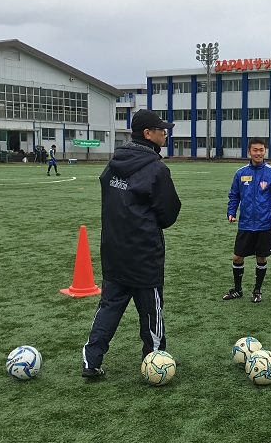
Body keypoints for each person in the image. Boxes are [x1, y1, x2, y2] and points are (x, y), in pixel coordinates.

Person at [82, 109, 181, 378]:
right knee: (151, 310)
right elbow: (169, 213)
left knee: (109, 306)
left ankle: (91, 362)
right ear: (148, 134)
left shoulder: (113, 163)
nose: (165, 133)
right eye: (161, 129)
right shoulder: (156, 168)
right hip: (144, 253)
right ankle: (156, 360)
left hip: (113, 249)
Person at [223, 137, 271, 303]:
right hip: (245, 224)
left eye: (261, 150)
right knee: (237, 257)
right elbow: (234, 195)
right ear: (249, 152)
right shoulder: (241, 173)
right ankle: (237, 289)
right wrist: (231, 211)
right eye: (255, 150)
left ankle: (257, 290)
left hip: (265, 224)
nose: (258, 153)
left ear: (265, 151)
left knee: (261, 258)